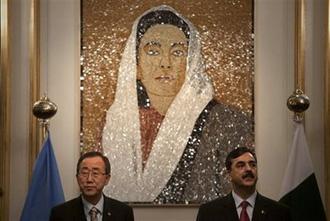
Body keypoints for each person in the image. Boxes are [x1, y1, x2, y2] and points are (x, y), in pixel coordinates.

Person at [102, 5, 254, 203]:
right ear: (136, 65)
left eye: (177, 52)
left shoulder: (226, 121)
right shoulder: (116, 123)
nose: (165, 63)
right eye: (153, 51)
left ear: (191, 63)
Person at [196, 147, 291, 221]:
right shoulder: (209, 212)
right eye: (241, 165)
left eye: (252, 165)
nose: (249, 169)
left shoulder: (279, 212)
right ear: (228, 175)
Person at [49, 151, 134, 221]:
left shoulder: (123, 213)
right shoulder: (60, 214)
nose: (89, 179)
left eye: (95, 173)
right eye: (84, 173)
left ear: (107, 179)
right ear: (77, 178)